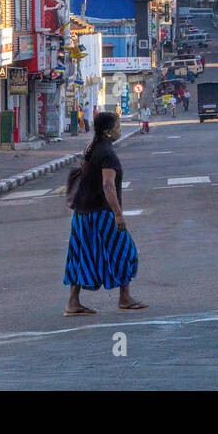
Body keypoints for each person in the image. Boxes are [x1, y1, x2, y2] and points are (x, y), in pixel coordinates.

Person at [63, 112, 147, 315]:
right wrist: (118, 215)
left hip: (82, 214)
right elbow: (108, 186)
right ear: (108, 132)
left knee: (80, 256)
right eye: (118, 127)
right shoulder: (108, 154)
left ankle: (73, 302)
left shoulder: (92, 147)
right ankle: (125, 298)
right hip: (102, 214)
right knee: (125, 252)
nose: (120, 130)